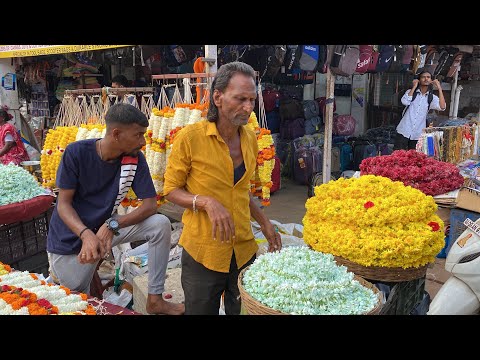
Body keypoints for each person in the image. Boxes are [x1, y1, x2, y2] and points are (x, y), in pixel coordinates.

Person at [163, 61, 282, 315]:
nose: (248, 108)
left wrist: (264, 222)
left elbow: (241, 190)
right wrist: (205, 201)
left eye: (251, 100)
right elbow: (170, 190)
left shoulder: (250, 137)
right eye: (240, 99)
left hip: (243, 248)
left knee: (241, 310)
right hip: (204, 251)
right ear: (218, 97)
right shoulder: (190, 138)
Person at [46, 103, 184, 315]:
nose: (143, 141)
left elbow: (150, 205)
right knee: (74, 299)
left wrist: (112, 224)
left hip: (106, 230)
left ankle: (155, 300)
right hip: (70, 238)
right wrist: (85, 235)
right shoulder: (76, 153)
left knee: (160, 224)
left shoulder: (134, 159)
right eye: (138, 135)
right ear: (117, 133)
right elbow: (63, 205)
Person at [394, 70, 446, 150]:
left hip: (417, 134)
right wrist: (414, 86)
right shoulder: (411, 92)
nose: (426, 79)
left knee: (414, 159)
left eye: (428, 77)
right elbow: (404, 101)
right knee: (397, 156)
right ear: (419, 79)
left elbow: (442, 107)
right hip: (404, 129)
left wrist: (439, 88)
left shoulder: (431, 97)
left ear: (431, 80)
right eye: (423, 77)